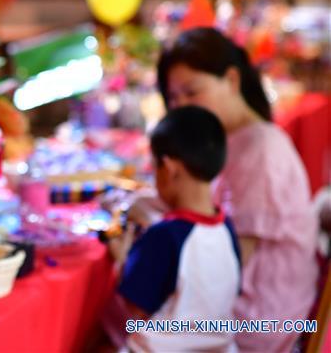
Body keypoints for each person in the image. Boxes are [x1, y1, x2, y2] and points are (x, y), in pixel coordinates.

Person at [154, 27, 318, 352]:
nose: (181, 107)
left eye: (191, 92)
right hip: (247, 305)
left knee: (132, 317)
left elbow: (227, 264)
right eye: (173, 98)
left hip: (259, 322)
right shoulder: (229, 141)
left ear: (231, 80)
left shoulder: (261, 151)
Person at [119, 106, 241, 352]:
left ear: (168, 168)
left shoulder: (163, 235)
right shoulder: (227, 227)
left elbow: (136, 308)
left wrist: (121, 257)